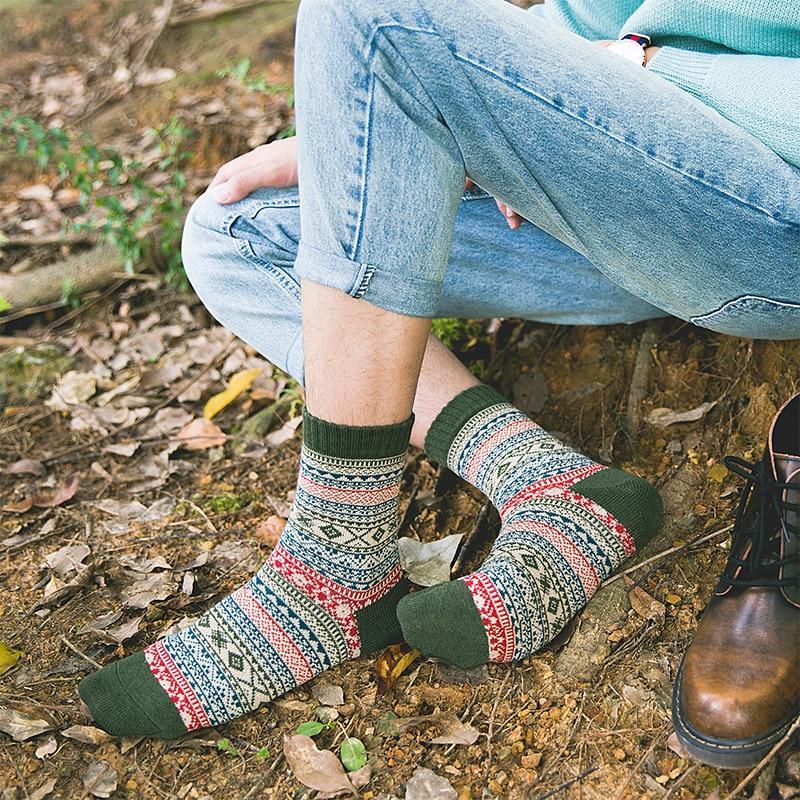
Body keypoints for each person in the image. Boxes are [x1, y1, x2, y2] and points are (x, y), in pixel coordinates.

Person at [79, 0, 799, 768]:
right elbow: (589, 12)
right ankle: (549, 482)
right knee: (237, 230)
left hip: (764, 207)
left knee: (370, 10)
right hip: (631, 178)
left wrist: (620, 81)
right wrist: (411, 117)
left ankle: (334, 561)